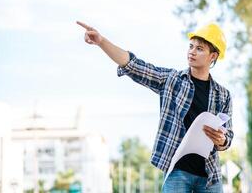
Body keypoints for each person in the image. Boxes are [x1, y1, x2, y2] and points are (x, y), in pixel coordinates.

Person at [76, 21, 233, 193]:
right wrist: (101, 42)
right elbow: (134, 65)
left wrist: (221, 140)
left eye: (199, 48)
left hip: (210, 176)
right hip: (177, 173)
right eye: (191, 46)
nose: (192, 52)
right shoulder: (171, 80)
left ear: (213, 56)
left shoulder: (222, 95)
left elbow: (228, 137)